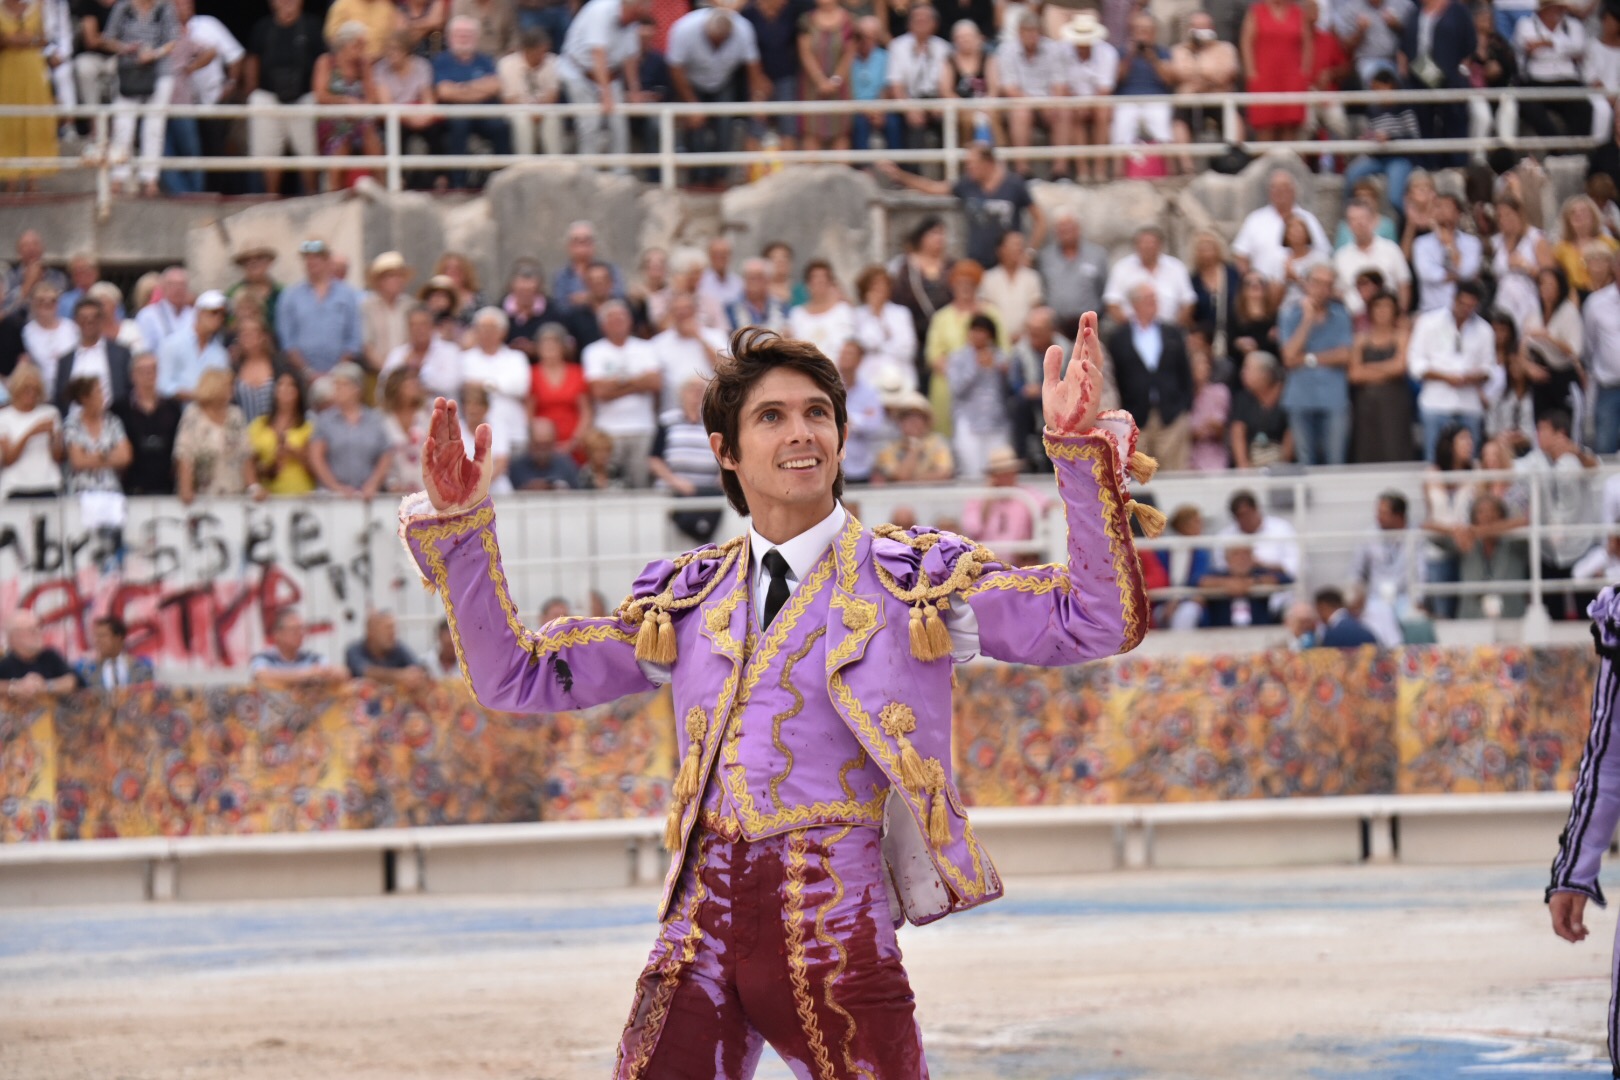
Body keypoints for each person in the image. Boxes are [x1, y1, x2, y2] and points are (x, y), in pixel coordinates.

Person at [403, 317, 1148, 1074]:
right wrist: (462, 531)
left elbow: (1094, 619)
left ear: (842, 434)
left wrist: (1079, 462)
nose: (802, 433)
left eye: (817, 413)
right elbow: (516, 675)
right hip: (696, 935)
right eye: (772, 416)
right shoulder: (688, 601)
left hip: (841, 934)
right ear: (725, 451)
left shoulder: (913, 581)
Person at [878, 141, 1044, 268]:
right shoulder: (967, 185)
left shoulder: (1014, 185)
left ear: (988, 163)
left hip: (1008, 265)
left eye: (972, 163)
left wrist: (1030, 253)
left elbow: (1041, 221)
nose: (968, 168)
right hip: (977, 263)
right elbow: (933, 187)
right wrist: (901, 176)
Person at [1106, 283, 1192, 471]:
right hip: (1136, 418)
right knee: (1139, 474)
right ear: (1135, 304)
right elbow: (1116, 376)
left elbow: (1185, 372)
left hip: (1171, 415)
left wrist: (1184, 406)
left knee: (1174, 472)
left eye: (1154, 298)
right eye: (1148, 299)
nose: (1153, 303)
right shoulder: (1119, 337)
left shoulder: (1172, 333)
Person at [1276, 263, 1354, 466]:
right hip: (1300, 397)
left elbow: (1345, 356)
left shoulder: (1341, 315)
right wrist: (1307, 320)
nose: (1322, 289)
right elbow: (1289, 358)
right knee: (1306, 462)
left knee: (1336, 460)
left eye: (1328, 284)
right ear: (1306, 284)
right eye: (1318, 283)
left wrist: (1307, 359)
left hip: (1333, 397)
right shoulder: (1289, 314)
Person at [1408, 280, 1494, 460]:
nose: (1465, 309)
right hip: (1436, 402)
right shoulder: (1429, 322)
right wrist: (1445, 377)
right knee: (1434, 460)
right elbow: (1415, 365)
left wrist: (1468, 378)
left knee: (1468, 461)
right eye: (1462, 304)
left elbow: (1489, 369)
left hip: (1469, 404)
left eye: (1471, 306)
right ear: (1454, 299)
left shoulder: (1484, 330)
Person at [245, 0, 323, 197]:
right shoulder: (262, 28)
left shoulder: (313, 26)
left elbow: (322, 62)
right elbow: (252, 62)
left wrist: (317, 94)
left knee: (309, 153)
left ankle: (313, 198)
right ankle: (271, 199)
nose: (287, 3)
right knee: (269, 155)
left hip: (305, 98)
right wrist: (250, 94)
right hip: (268, 97)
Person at [103, 0, 178, 197]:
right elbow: (108, 38)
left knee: (154, 126)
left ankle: (150, 179)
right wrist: (126, 48)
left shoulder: (165, 8)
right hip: (129, 72)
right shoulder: (123, 8)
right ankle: (118, 176)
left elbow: (172, 41)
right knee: (123, 124)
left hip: (160, 72)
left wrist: (154, 54)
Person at [556, 0, 647, 164]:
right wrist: (606, 95)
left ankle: (620, 174)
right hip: (579, 72)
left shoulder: (632, 20)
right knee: (590, 124)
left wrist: (635, 91)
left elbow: (630, 57)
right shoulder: (601, 11)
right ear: (631, 7)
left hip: (611, 75)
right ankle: (587, 174)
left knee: (619, 125)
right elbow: (598, 53)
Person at [581, 300, 660, 487]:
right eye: (612, 318)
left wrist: (617, 383)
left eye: (621, 318)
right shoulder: (594, 351)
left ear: (630, 321)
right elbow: (599, 391)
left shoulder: (646, 348)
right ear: (603, 325)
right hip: (608, 431)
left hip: (642, 428)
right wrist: (637, 382)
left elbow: (655, 382)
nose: (618, 322)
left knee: (641, 485)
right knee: (611, 485)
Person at [434, 15, 511, 189]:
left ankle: (504, 180)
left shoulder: (484, 60)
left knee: (500, 126)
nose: (463, 37)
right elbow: (444, 92)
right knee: (459, 126)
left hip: (483, 110)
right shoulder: (442, 60)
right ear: (449, 37)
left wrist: (461, 89)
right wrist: (477, 88)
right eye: (459, 34)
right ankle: (458, 183)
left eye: (468, 34)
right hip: (455, 112)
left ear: (476, 37)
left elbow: (495, 86)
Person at [994, 11, 1073, 180]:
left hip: (1048, 102)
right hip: (1021, 104)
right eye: (1026, 31)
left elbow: (1059, 84)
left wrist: (1052, 103)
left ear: (1040, 32)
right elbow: (1010, 88)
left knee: (1063, 111)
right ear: (1018, 32)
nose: (1030, 35)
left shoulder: (1053, 49)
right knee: (1021, 112)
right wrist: (1035, 104)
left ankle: (1060, 171)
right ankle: (1023, 171)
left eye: (1034, 31)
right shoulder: (1007, 50)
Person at [308, 361, 392, 497]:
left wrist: (373, 484)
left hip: (368, 495)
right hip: (333, 497)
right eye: (335, 384)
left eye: (343, 384)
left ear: (357, 389)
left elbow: (386, 454)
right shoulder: (325, 420)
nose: (337, 389)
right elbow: (316, 457)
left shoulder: (374, 420)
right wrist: (336, 487)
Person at [1347, 290, 1413, 462]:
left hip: (1394, 402)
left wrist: (1369, 368)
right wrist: (1387, 371)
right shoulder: (1360, 339)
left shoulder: (1401, 336)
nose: (1382, 311)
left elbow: (1400, 367)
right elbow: (1354, 374)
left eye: (1387, 307)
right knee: (1367, 448)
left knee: (1394, 447)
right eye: (1378, 307)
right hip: (1366, 405)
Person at [0, 0, 58, 194]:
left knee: (36, 119)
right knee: (7, 122)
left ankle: (34, 177)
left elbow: (44, 39)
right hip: (6, 69)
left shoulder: (39, 6)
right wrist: (12, 41)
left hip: (33, 68)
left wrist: (25, 41)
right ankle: (10, 178)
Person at [172, 366, 254, 503]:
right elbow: (184, 453)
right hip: (202, 496)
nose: (232, 391)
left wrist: (254, 487)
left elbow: (246, 454)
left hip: (235, 494)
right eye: (228, 386)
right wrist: (185, 488)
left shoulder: (236, 415)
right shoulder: (193, 414)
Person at [945, 312, 1012, 476]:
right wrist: (975, 367)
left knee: (999, 470)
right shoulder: (958, 358)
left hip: (996, 422)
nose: (978, 336)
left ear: (990, 335)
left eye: (982, 331)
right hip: (969, 422)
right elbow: (956, 388)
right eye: (974, 331)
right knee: (971, 472)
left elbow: (1008, 392)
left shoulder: (1001, 357)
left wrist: (1003, 372)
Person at [1514, 0, 1591, 139]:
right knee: (1529, 106)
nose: (1560, 11)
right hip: (1536, 80)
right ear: (1545, 8)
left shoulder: (1573, 25)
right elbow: (1531, 49)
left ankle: (1576, 149)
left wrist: (1547, 43)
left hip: (1568, 80)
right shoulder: (1526, 24)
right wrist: (1564, 49)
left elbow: (1579, 47)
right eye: (1556, 7)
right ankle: (1557, 146)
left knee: (1584, 108)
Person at [1056, 11, 1117, 182]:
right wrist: (1078, 103)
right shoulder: (1062, 51)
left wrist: (1088, 104)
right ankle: (1083, 170)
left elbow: (1104, 89)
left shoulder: (1107, 52)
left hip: (1097, 101)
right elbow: (1061, 85)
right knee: (1071, 112)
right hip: (1074, 100)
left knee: (1103, 111)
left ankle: (1100, 167)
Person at [884, 3, 951, 159]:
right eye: (917, 19)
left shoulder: (944, 48)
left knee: (948, 120)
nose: (921, 22)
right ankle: (911, 174)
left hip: (935, 100)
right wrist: (909, 108)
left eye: (925, 19)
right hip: (908, 99)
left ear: (935, 24)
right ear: (909, 23)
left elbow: (946, 84)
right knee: (912, 124)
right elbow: (896, 85)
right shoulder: (897, 46)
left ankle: (947, 171)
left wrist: (940, 104)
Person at [1241, 0, 1310, 142]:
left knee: (1290, 129)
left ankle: (1288, 164)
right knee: (1265, 130)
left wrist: (1304, 73)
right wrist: (1251, 73)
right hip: (1264, 78)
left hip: (1292, 79)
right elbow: (1246, 42)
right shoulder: (1256, 11)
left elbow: (1308, 45)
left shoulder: (1298, 12)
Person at [1102, 225, 1195, 328]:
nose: (1147, 247)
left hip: (1170, 329)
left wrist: (1173, 330)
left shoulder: (1176, 267)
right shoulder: (1122, 267)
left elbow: (1188, 301)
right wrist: (1130, 330)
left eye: (1152, 243)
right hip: (1132, 329)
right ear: (1136, 245)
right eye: (1143, 243)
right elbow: (1112, 302)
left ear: (1160, 245)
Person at [114, 350, 180, 494]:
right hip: (131, 485)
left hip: (166, 485)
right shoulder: (120, 409)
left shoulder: (172, 407)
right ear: (132, 375)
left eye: (153, 370)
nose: (149, 375)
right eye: (143, 371)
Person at [1335, 198, 1413, 317]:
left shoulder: (1391, 249)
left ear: (1373, 221)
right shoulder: (1340, 257)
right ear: (1348, 225)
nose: (1358, 223)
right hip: (1355, 320)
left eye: (1362, 218)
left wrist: (1402, 314)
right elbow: (1337, 291)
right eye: (1353, 220)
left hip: (1390, 317)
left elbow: (1403, 284)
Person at [1039, 209, 1109, 342]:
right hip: (1057, 327)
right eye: (1061, 228)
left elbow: (1104, 289)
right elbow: (1043, 289)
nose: (1066, 232)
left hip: (1089, 326)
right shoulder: (1046, 257)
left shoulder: (1097, 255)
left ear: (1078, 228)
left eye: (1070, 227)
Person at [55, 297, 131, 412]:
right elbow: (60, 397)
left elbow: (127, 391)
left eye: (94, 317)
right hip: (74, 423)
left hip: (112, 421)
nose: (89, 322)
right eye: (83, 318)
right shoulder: (65, 360)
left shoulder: (121, 353)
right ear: (76, 321)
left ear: (102, 320)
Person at [1412, 193, 1484, 314]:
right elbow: (1427, 273)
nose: (1441, 210)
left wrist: (1450, 246)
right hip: (1431, 312)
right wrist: (1456, 276)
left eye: (1447, 206)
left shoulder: (1472, 242)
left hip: (1463, 314)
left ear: (1458, 213)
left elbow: (1467, 271)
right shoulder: (1421, 243)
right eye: (1438, 206)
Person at [499, 26, 564, 158]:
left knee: (552, 116)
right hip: (518, 109)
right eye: (540, 51)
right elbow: (509, 99)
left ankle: (556, 163)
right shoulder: (507, 64)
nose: (544, 55)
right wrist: (530, 108)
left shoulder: (553, 62)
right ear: (528, 50)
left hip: (543, 108)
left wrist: (538, 109)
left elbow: (553, 95)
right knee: (522, 120)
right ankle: (524, 165)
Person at [0, 363, 61, 499]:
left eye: (35, 389)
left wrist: (54, 436)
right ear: (17, 389)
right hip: (15, 485)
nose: (31, 394)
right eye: (26, 389)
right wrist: (31, 432)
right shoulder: (4, 417)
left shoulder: (50, 413)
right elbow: (8, 458)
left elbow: (58, 457)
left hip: (47, 483)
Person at [249, 369, 315, 495]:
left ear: (299, 392)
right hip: (268, 496)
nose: (285, 389)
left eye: (291, 385)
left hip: (301, 494)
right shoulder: (259, 425)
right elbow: (249, 464)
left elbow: (315, 469)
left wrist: (295, 454)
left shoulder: (308, 427)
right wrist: (270, 466)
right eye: (281, 384)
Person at [62, 374, 131, 494]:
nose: (102, 397)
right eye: (98, 392)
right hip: (81, 492)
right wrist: (109, 455)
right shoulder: (72, 424)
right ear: (85, 398)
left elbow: (125, 456)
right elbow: (78, 461)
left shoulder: (112, 422)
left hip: (111, 491)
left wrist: (94, 456)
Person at [530, 324, 591, 457]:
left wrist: (574, 442)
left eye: (554, 344)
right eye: (545, 345)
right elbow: (529, 413)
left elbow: (586, 412)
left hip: (575, 443)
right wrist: (540, 441)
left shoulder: (577, 372)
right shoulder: (532, 374)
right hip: (543, 445)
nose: (549, 349)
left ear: (563, 347)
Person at [156, 288, 229, 401]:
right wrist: (195, 395)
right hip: (174, 410)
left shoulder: (221, 353)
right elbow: (163, 384)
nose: (218, 318)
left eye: (222, 314)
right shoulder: (172, 343)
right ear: (199, 312)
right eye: (213, 312)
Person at [251, 609, 348, 689]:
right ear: (278, 634)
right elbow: (261, 676)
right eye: (294, 629)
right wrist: (307, 674)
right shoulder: (265, 658)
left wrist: (332, 673)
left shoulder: (312, 658)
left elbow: (342, 673)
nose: (301, 633)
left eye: (302, 628)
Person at [872, 388, 954, 481]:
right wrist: (914, 450)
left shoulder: (938, 443)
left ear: (926, 422)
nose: (913, 422)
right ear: (900, 422)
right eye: (908, 417)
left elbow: (943, 473)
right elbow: (900, 476)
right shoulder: (888, 449)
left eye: (918, 417)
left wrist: (911, 480)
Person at [979, 231, 1042, 347]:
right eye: (1014, 245)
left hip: (1027, 341)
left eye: (1020, 245)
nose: (1018, 249)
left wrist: (1023, 335)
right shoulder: (988, 278)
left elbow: (1036, 310)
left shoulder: (1032, 277)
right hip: (996, 342)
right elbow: (986, 312)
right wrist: (1002, 336)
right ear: (1001, 249)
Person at [786, 259, 856, 361]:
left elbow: (849, 344)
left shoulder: (843, 310)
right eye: (815, 279)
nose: (819, 283)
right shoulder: (796, 314)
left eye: (823, 280)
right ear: (807, 284)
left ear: (830, 283)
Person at [0, 611, 82, 695]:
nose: (38, 632)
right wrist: (15, 687)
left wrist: (46, 686)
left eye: (38, 628)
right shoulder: (5, 663)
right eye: (31, 630)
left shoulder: (50, 656)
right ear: (15, 637)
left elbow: (72, 680)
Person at [553, 221, 627, 310]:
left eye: (586, 241)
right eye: (577, 241)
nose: (582, 246)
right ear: (569, 246)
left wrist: (590, 298)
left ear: (593, 245)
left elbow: (619, 297)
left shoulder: (611, 270)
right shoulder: (562, 276)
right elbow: (560, 306)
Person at [345, 610, 428, 685]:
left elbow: (417, 670)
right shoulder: (355, 650)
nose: (393, 633)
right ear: (371, 631)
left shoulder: (398, 647)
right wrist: (400, 676)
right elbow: (366, 672)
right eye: (387, 628)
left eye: (393, 628)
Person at [1186, 331, 1230, 470]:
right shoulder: (1181, 397)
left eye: (1206, 364)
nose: (1204, 368)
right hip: (1186, 457)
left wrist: (1198, 431)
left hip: (1213, 457)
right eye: (1198, 364)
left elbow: (1218, 428)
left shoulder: (1219, 391)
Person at [75, 614, 154, 689]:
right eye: (96, 636)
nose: (97, 641)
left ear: (118, 638)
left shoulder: (141, 666)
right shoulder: (86, 671)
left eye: (103, 636)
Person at [18, 285, 72, 392]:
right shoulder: (26, 332)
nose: (47, 304)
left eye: (52, 300)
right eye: (41, 300)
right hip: (40, 391)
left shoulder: (71, 328)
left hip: (70, 388)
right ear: (32, 303)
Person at [727, 257, 790, 335]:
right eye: (750, 277)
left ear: (768, 280)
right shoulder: (731, 308)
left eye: (759, 277)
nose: (754, 282)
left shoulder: (781, 306)